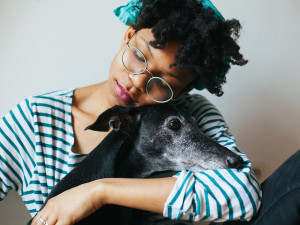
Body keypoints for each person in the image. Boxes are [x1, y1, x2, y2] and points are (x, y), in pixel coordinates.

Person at [1, 0, 270, 224]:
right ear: (128, 36)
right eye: (140, 56)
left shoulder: (192, 114)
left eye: (163, 82)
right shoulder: (34, 118)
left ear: (182, 93)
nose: (138, 82)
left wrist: (99, 192)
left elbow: (242, 193)